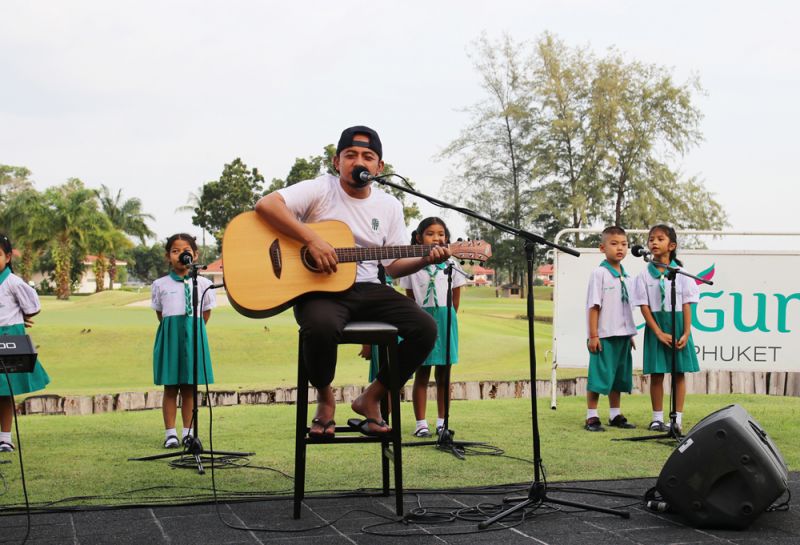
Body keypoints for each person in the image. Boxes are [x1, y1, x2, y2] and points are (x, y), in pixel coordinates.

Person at [255, 125, 450, 438]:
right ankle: (325, 397)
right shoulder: (321, 189)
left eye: (368, 156)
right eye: (351, 155)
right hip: (319, 291)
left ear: (379, 167)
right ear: (337, 161)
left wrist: (427, 257)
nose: (359, 161)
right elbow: (266, 205)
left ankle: (372, 396)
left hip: (369, 288)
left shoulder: (389, 205)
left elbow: (394, 266)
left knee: (426, 328)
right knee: (319, 327)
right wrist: (313, 240)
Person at [399, 217, 466, 438]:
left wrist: (447, 317)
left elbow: (455, 299)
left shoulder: (452, 264)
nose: (437, 237)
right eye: (430, 233)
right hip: (421, 319)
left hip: (446, 318)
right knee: (422, 372)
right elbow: (410, 298)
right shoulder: (412, 263)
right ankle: (421, 423)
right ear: (419, 238)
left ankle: (442, 422)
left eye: (441, 233)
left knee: (444, 374)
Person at [631, 224, 700, 434]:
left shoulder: (681, 273)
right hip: (656, 327)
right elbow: (644, 306)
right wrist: (658, 333)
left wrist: (686, 332)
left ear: (671, 245)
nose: (653, 243)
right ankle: (657, 418)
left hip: (678, 325)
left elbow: (687, 304)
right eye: (651, 239)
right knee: (657, 374)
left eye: (659, 239)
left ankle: (676, 419)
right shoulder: (643, 276)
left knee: (679, 373)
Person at [151, 234, 216, 448]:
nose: (181, 254)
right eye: (175, 251)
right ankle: (171, 434)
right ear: (168, 256)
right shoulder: (160, 284)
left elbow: (205, 313)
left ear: (195, 254)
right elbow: (161, 314)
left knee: (189, 388)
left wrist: (193, 330)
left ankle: (188, 433)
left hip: (194, 337)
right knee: (171, 387)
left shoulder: (204, 283)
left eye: (185, 250)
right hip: (171, 338)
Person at [584, 226, 637, 432]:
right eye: (614, 244)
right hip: (604, 335)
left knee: (618, 376)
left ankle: (615, 414)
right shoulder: (599, 273)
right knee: (599, 376)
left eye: (624, 244)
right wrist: (593, 335)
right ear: (602, 248)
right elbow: (594, 305)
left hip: (623, 335)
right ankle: (592, 416)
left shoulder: (627, 276)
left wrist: (629, 333)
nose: (620, 248)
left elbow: (625, 309)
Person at [0, 234, 49, 453]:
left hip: (9, 337)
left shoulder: (13, 282)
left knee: (4, 391)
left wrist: (20, 314)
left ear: (8, 257)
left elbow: (32, 306)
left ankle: (5, 437)